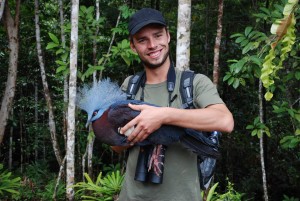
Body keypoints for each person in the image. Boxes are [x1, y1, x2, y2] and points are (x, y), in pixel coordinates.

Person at [112, 8, 234, 201]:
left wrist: (163, 116)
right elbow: (116, 148)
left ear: (168, 36)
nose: (152, 45)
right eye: (142, 40)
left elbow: (225, 121)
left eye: (157, 35)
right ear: (133, 46)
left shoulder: (193, 83)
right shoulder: (129, 86)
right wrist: (135, 131)